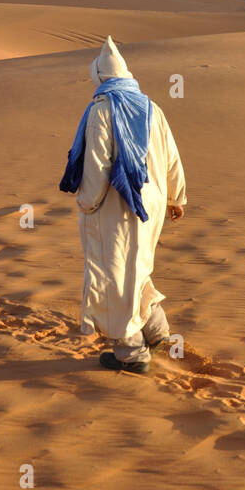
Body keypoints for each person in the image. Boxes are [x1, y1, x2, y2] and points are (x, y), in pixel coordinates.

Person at [59, 36, 187, 373]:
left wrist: (87, 202)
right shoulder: (151, 107)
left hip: (117, 207)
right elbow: (172, 156)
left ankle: (131, 355)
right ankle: (158, 333)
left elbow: (97, 164)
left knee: (114, 276)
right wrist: (176, 197)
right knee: (138, 269)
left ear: (100, 77)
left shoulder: (102, 109)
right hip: (152, 203)